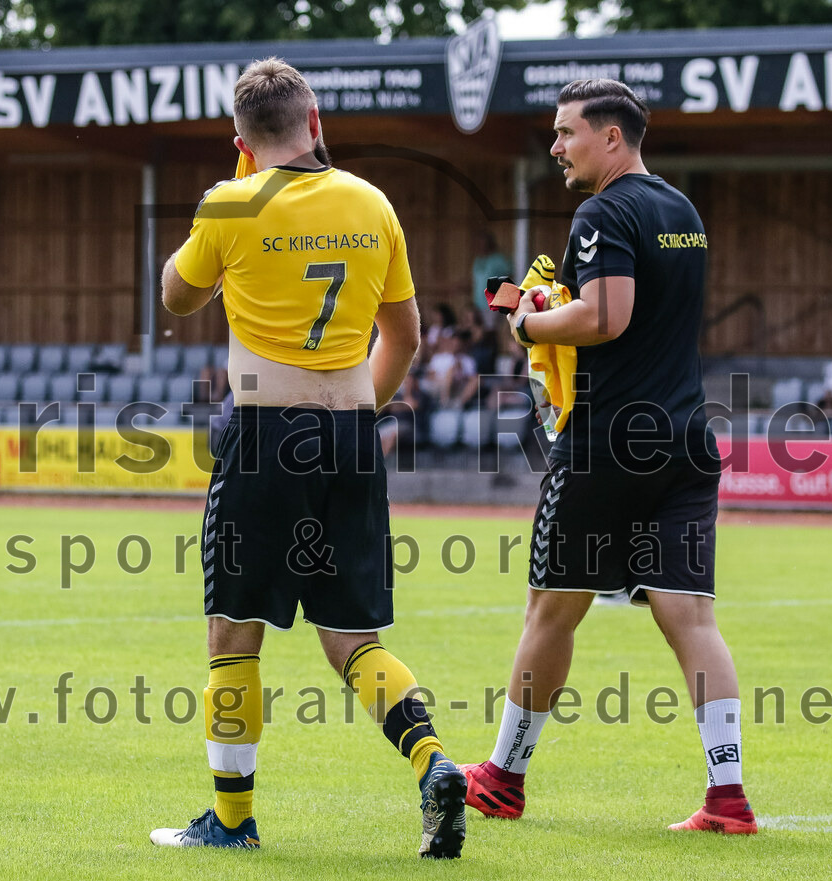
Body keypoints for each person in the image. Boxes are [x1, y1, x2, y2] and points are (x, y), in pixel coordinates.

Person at [150, 57, 466, 859]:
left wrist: (229, 203)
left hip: (265, 435)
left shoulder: (230, 201)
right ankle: (433, 761)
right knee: (354, 638)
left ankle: (230, 820)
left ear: (240, 141)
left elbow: (175, 298)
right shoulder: (373, 202)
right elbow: (407, 336)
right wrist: (368, 408)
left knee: (234, 634)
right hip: (352, 437)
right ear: (315, 120)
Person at [459, 79, 757, 835]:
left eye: (566, 133)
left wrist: (530, 325)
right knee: (692, 617)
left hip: (607, 444)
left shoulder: (603, 209)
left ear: (611, 137)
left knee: (551, 609)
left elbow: (606, 316)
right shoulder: (681, 210)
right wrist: (561, 298)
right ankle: (728, 795)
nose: (557, 148)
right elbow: (641, 309)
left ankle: (502, 778)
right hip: (687, 437)